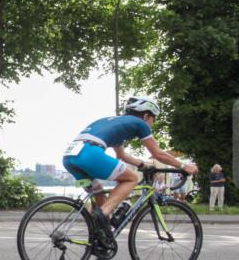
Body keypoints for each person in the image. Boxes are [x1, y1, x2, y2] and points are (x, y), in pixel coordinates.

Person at [62, 96, 198, 250]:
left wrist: (143, 165)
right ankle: (102, 214)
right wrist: (183, 165)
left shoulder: (115, 124)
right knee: (131, 179)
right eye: (153, 119)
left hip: (70, 157)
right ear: (146, 116)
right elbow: (158, 153)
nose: (153, 124)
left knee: (98, 191)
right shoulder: (140, 123)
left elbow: (122, 156)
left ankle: (99, 239)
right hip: (89, 153)